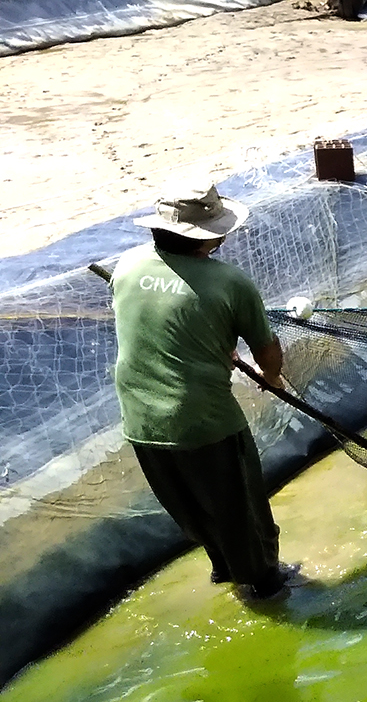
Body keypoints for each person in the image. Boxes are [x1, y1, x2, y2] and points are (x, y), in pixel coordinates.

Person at [112, 184, 296, 603]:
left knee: (191, 504)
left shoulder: (127, 264)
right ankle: (266, 585)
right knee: (244, 512)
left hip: (139, 416)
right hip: (204, 419)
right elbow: (267, 350)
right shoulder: (230, 281)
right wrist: (273, 378)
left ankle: (222, 571)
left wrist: (211, 342)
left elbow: (161, 324)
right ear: (209, 237)